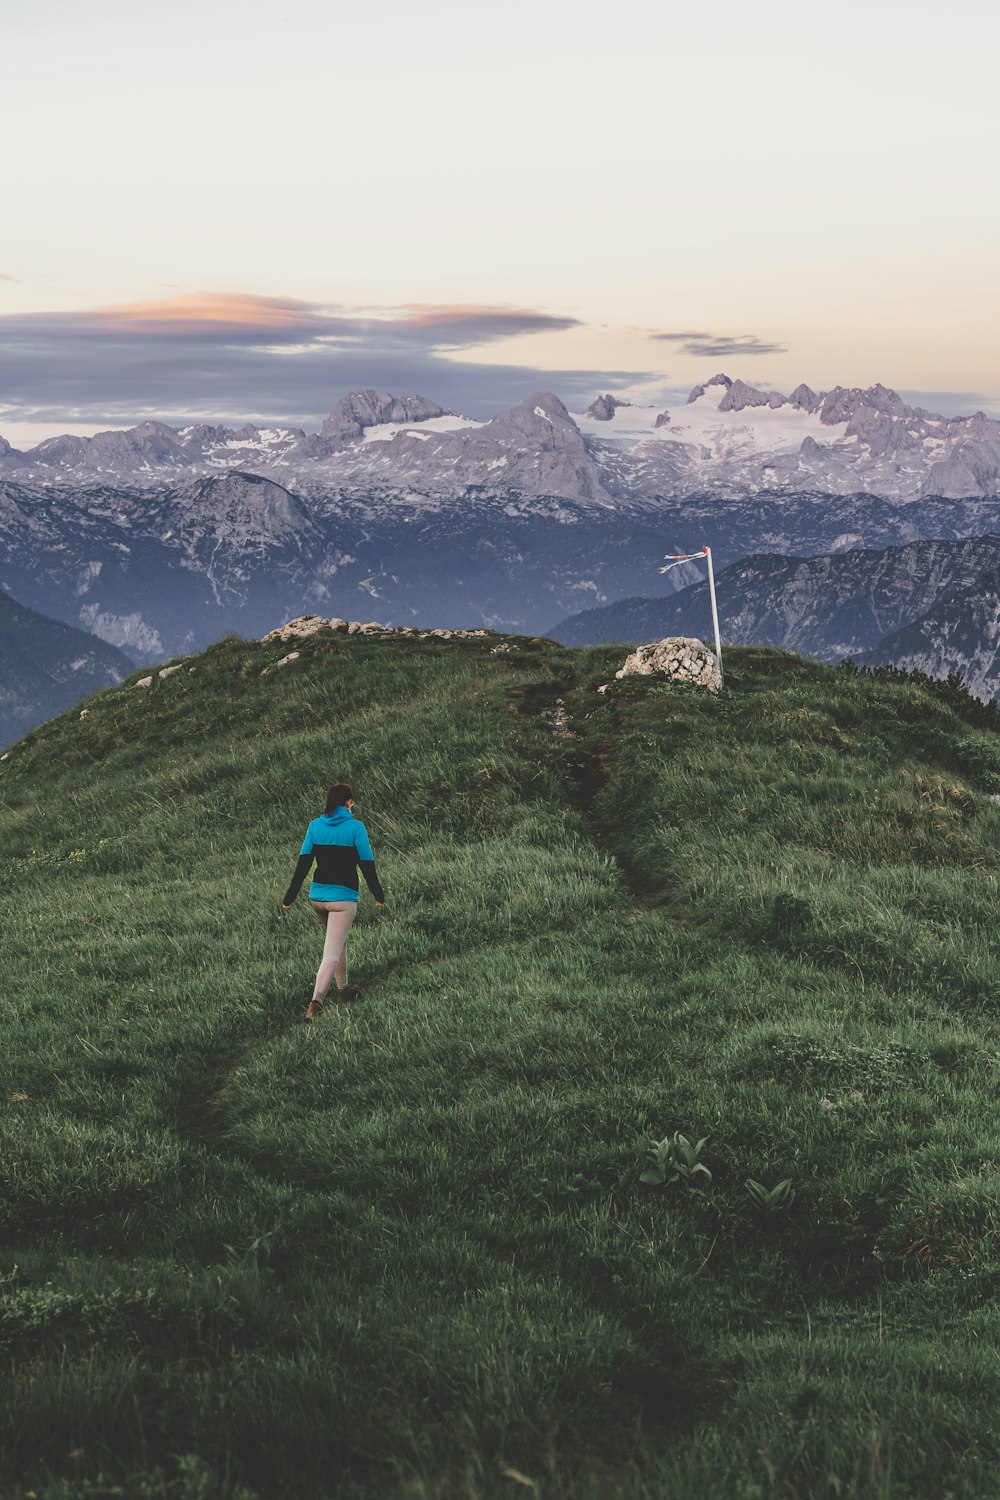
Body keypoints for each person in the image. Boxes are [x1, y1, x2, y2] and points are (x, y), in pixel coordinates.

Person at [282, 782, 385, 1018]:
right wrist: (379, 895)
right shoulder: (356, 828)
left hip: (317, 897)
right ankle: (315, 1004)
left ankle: (343, 991)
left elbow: (303, 866)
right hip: (343, 900)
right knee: (330, 953)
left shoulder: (315, 826)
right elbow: (367, 866)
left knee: (337, 943)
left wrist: (289, 898)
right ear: (348, 803)